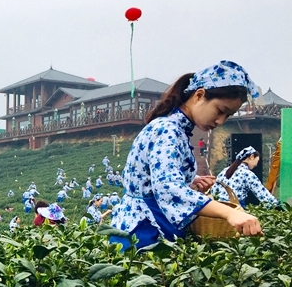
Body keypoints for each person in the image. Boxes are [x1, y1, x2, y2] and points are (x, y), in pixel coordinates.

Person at [110, 60, 264, 250]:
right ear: (199, 95)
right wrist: (229, 213)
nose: (220, 121)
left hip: (147, 224)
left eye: (228, 116)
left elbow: (154, 178)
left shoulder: (177, 130)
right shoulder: (168, 130)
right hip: (143, 230)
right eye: (220, 111)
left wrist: (191, 181)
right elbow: (168, 188)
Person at [211, 146, 279, 208]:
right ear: (252, 156)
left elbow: (214, 191)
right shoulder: (247, 174)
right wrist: (277, 206)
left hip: (218, 207)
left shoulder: (224, 171)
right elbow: (263, 194)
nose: (256, 165)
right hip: (235, 208)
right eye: (257, 161)